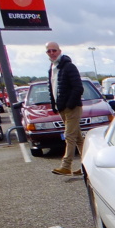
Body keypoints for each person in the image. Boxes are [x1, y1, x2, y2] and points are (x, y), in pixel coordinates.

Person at [45, 42, 84, 176]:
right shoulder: (52, 68)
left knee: (69, 136)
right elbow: (52, 89)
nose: (52, 53)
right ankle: (87, 166)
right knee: (78, 138)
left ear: (59, 51)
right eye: (49, 51)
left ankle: (66, 166)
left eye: (54, 50)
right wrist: (54, 105)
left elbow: (78, 88)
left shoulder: (69, 67)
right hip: (61, 108)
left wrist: (70, 104)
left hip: (72, 108)